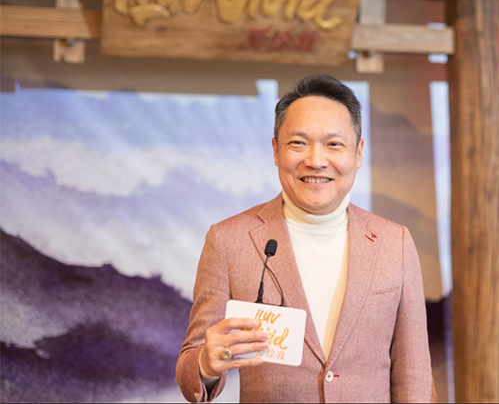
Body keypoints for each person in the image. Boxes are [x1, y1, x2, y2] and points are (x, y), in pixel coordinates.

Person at [176, 74, 434, 403]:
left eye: (334, 144)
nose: (315, 160)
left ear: (358, 153)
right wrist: (206, 364)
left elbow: (414, 373)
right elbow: (192, 363)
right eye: (298, 143)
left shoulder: (394, 242)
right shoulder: (229, 240)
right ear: (275, 150)